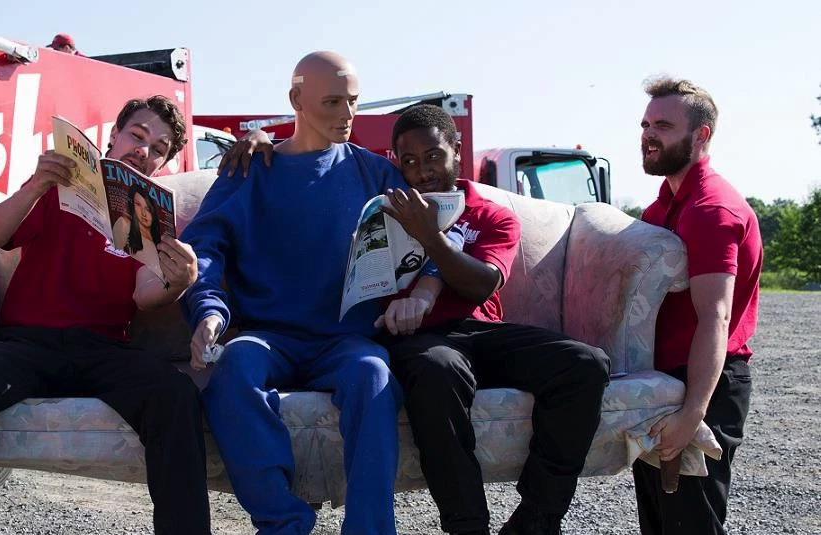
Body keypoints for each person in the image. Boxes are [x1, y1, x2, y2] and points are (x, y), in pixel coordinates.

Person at [222, 103, 611, 535]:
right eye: (408, 161)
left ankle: (537, 518)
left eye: (433, 157)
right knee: (435, 370)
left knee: (585, 363)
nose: (422, 171)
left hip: (482, 331)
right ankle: (468, 525)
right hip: (418, 340)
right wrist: (264, 143)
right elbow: (315, 165)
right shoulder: (382, 211)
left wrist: (431, 236)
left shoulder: (491, 213)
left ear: (457, 152)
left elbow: (481, 285)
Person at [0, 95, 210, 535]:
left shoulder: (150, 213)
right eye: (137, 136)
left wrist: (181, 279)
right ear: (113, 136)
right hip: (26, 342)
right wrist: (37, 185)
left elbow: (144, 297)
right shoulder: (58, 186)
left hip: (103, 348)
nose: (144, 151)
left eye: (159, 149)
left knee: (176, 395)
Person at [182, 51, 407, 535]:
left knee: (374, 375)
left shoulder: (377, 175)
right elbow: (204, 248)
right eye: (332, 102)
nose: (347, 115)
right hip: (269, 336)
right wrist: (208, 311)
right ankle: (282, 522)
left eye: (353, 101)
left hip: (347, 340)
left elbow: (425, 242)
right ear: (295, 100)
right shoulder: (250, 169)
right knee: (233, 370)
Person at [631, 76, 761, 535]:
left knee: (692, 526)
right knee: (661, 525)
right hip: (663, 381)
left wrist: (692, 414)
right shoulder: (659, 207)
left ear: (700, 135)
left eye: (663, 125)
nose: (648, 134)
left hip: (704, 381)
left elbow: (716, 317)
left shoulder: (711, 209)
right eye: (646, 123)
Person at [111, 184, 162, 275]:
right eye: (138, 204)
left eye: (148, 208)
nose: (143, 214)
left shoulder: (161, 238)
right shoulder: (123, 225)